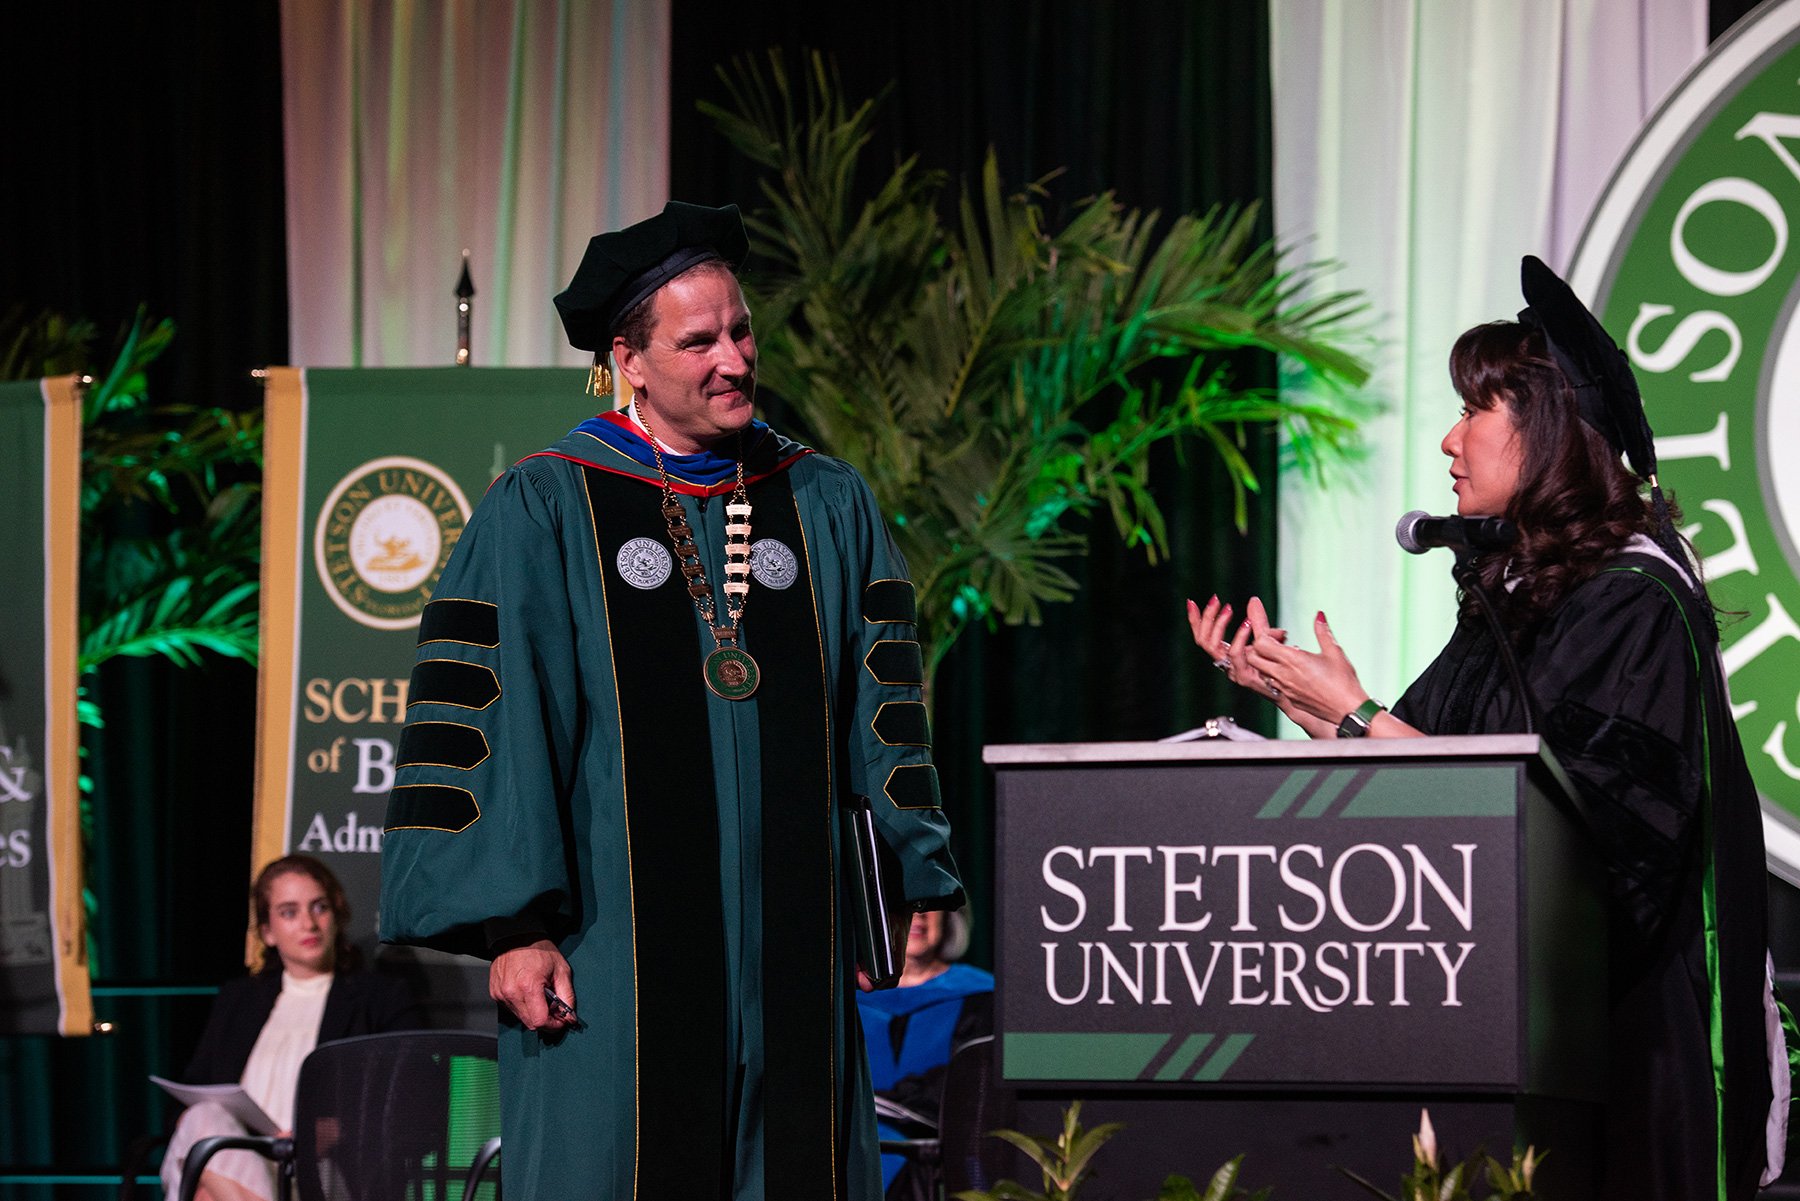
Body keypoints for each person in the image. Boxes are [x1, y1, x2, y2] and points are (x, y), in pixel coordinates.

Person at [378, 200, 964, 1201]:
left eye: (740, 331)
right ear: (630, 361)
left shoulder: (824, 500)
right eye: (699, 341)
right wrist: (512, 930)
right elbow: (496, 723)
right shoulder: (550, 504)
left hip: (794, 962)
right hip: (613, 963)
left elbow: (883, 709)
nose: (733, 359)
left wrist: (891, 893)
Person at [1189, 256, 1776, 1201]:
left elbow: (1582, 833)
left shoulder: (1633, 602)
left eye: (1476, 413)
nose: (1448, 441)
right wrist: (1293, 690)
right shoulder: (1519, 593)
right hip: (1523, 1035)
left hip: (1635, 1047)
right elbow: (1420, 756)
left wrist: (1358, 717)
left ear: (1546, 436)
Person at [163, 855, 421, 1201]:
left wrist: (333, 1131)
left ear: (337, 916)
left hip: (324, 1169)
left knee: (207, 1192)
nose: (308, 924)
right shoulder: (238, 1000)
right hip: (242, 1158)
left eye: (319, 907)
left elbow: (413, 1101)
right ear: (267, 932)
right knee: (202, 1120)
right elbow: (192, 1095)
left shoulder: (379, 998)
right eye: (289, 912)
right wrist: (188, 1123)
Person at [855, 908, 992, 1199]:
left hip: (947, 1171)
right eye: (903, 903)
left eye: (927, 903)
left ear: (949, 916)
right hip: (854, 1164)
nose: (917, 914)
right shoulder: (843, 997)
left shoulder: (985, 997)